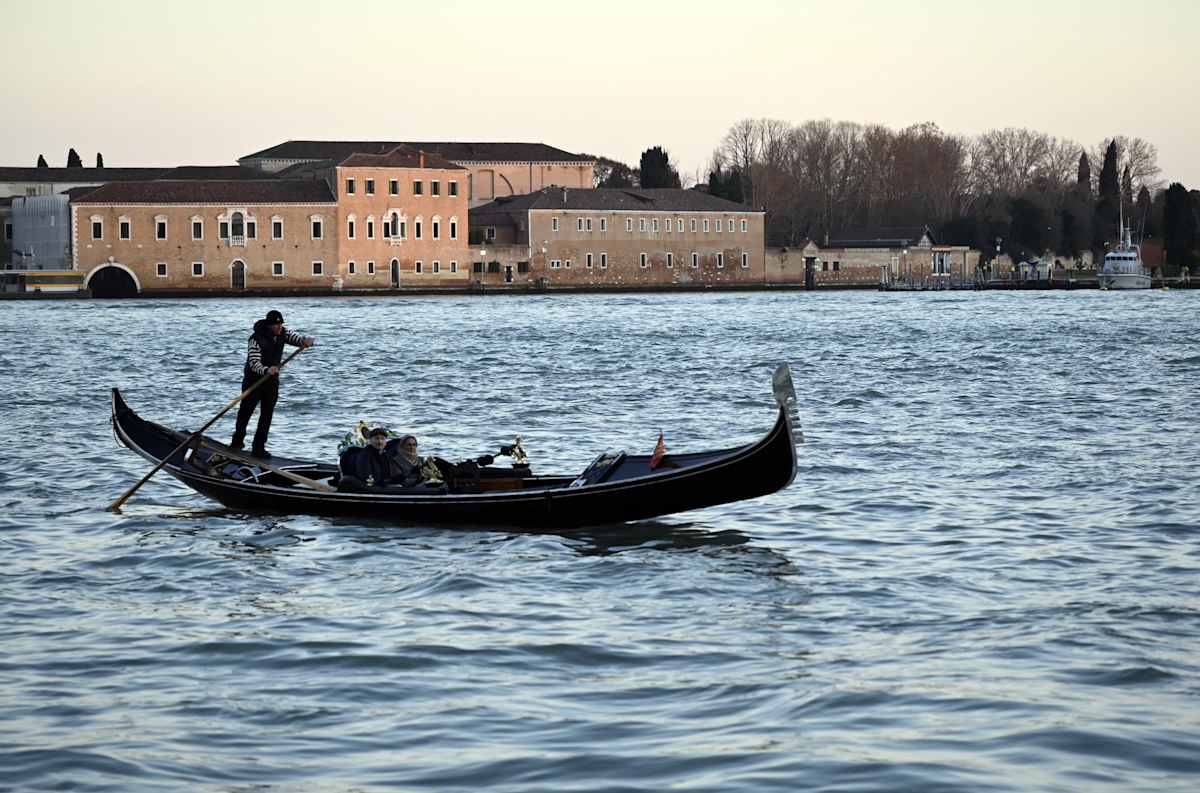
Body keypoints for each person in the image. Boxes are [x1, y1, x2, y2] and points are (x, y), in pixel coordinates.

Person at [231, 309, 314, 458]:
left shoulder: (283, 333)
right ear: (269, 325)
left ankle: (258, 448)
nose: (279, 327)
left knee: (267, 414)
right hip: (254, 380)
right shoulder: (255, 339)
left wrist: (305, 340)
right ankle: (237, 443)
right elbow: (253, 362)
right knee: (245, 412)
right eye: (276, 325)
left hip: (271, 381)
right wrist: (266, 370)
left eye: (280, 324)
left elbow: (296, 339)